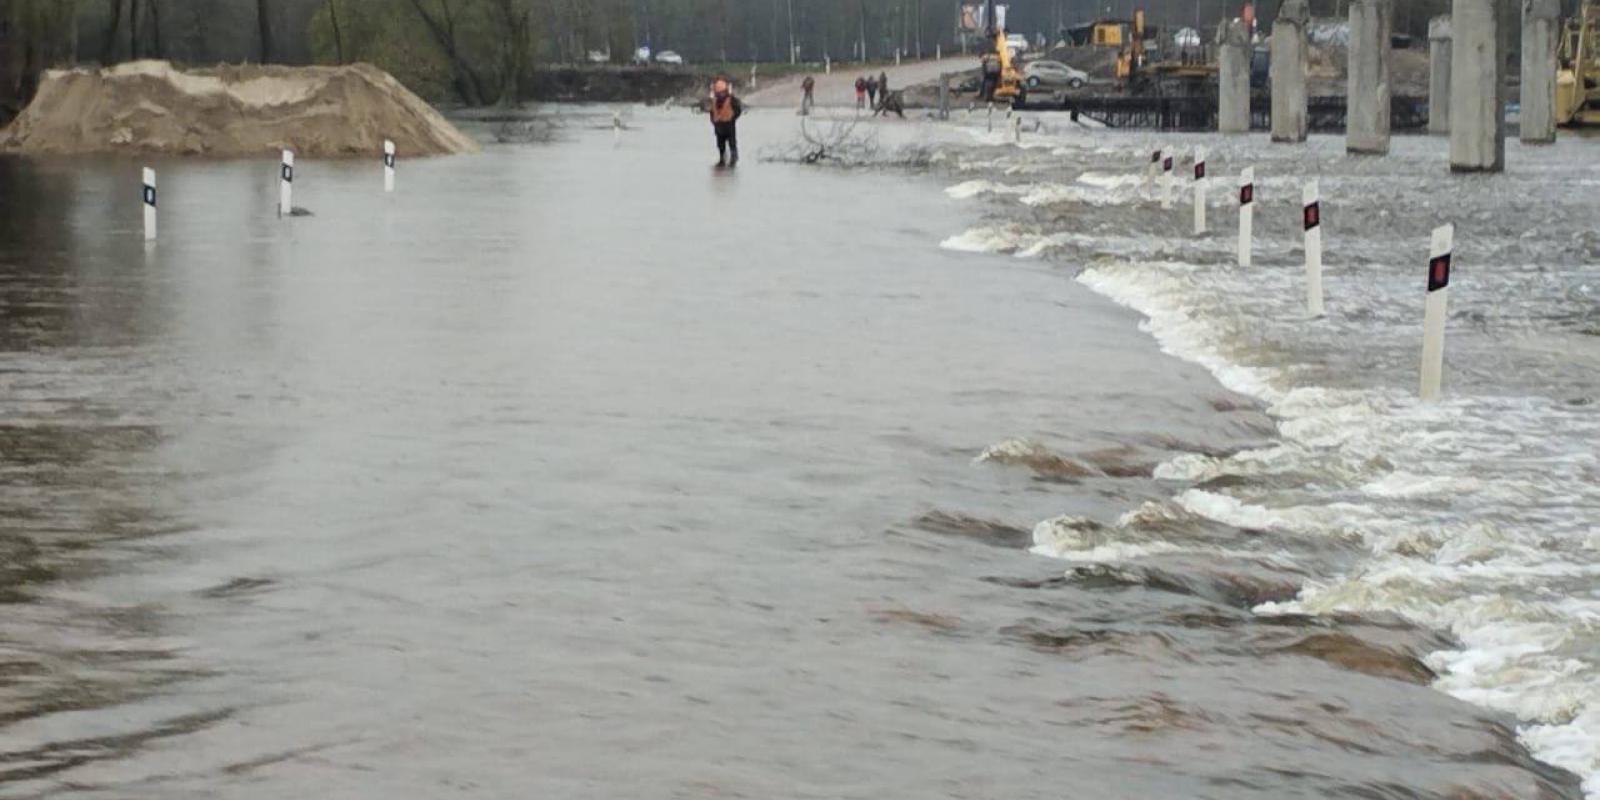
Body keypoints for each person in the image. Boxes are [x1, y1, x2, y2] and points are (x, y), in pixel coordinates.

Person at [707, 77, 743, 167]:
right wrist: (713, 122)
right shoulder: (714, 101)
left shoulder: (731, 100)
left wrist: (733, 118)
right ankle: (722, 159)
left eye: (721, 92)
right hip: (719, 127)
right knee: (720, 145)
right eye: (718, 93)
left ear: (725, 91)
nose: (720, 95)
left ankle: (734, 158)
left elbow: (738, 110)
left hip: (729, 125)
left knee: (732, 143)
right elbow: (712, 113)